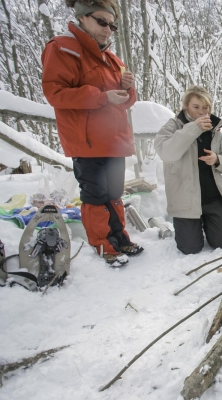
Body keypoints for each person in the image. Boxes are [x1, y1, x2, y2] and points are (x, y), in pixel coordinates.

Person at [41, 0, 143, 267]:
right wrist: (101, 97)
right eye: (101, 22)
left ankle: (120, 239)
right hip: (87, 141)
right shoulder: (63, 48)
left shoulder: (111, 58)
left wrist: (127, 89)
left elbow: (125, 101)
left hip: (114, 140)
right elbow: (55, 93)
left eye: (112, 25)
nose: (108, 30)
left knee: (114, 193)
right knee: (96, 196)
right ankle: (103, 245)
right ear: (83, 18)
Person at [155, 86, 222, 254]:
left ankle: (208, 221)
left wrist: (217, 159)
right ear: (186, 106)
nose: (201, 112)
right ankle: (191, 226)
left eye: (205, 108)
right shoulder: (173, 126)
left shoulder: (215, 131)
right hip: (186, 198)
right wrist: (194, 128)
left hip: (212, 197)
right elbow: (166, 153)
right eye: (196, 106)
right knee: (190, 248)